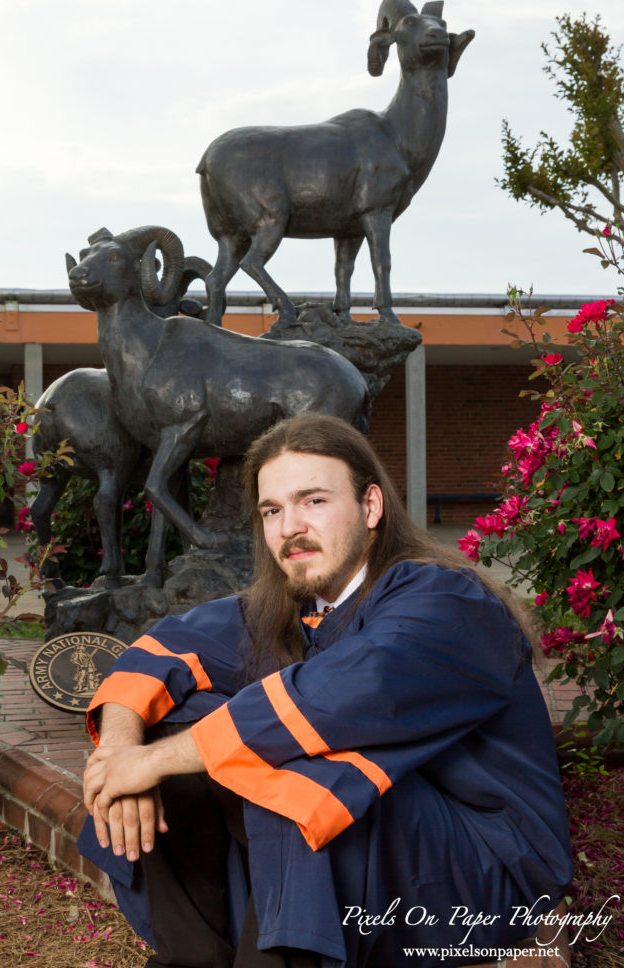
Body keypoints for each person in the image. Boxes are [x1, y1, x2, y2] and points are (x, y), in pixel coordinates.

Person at [82, 413, 573, 968]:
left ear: (370, 507)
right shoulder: (296, 606)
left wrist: (153, 763)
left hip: (485, 870)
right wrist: (121, 750)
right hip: (386, 843)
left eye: (313, 501)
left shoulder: (445, 600)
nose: (290, 526)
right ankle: (193, 959)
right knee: (171, 718)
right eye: (272, 510)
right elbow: (161, 650)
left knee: (288, 767)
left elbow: (335, 696)